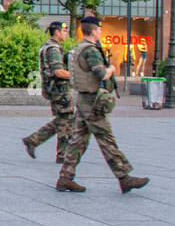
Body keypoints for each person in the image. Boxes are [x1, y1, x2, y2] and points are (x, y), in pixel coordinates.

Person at [56, 15, 149, 194]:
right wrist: (111, 69)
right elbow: (100, 74)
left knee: (77, 142)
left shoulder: (77, 49)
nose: (100, 31)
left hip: (83, 100)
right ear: (94, 30)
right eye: (99, 29)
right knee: (107, 140)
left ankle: (65, 179)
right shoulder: (91, 50)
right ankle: (124, 177)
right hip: (92, 103)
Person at [23, 21, 75, 167]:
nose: (65, 33)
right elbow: (58, 71)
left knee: (64, 119)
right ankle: (59, 153)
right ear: (57, 32)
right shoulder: (53, 49)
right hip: (59, 90)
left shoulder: (49, 46)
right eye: (64, 30)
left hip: (55, 89)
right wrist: (76, 75)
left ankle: (35, 141)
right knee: (65, 120)